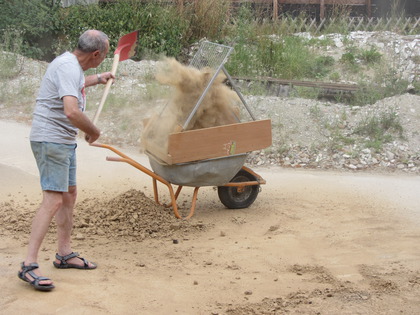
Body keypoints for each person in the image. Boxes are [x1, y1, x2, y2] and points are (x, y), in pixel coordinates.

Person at [17, 30, 115, 291]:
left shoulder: (72, 66)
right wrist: (93, 131)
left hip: (62, 141)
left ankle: (64, 254)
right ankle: (28, 264)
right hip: (51, 140)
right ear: (96, 54)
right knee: (53, 199)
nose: (103, 60)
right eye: (103, 57)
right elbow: (71, 110)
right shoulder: (67, 66)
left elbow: (76, 83)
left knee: (69, 194)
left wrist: (98, 79)